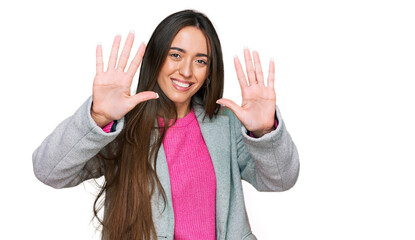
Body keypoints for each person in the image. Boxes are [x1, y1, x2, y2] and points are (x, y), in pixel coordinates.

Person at [32, 9, 299, 240]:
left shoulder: (225, 124)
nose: (186, 71)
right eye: (175, 55)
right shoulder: (121, 127)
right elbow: (49, 170)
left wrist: (265, 132)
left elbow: (281, 179)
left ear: (209, 71)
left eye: (200, 61)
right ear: (156, 57)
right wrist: (98, 118)